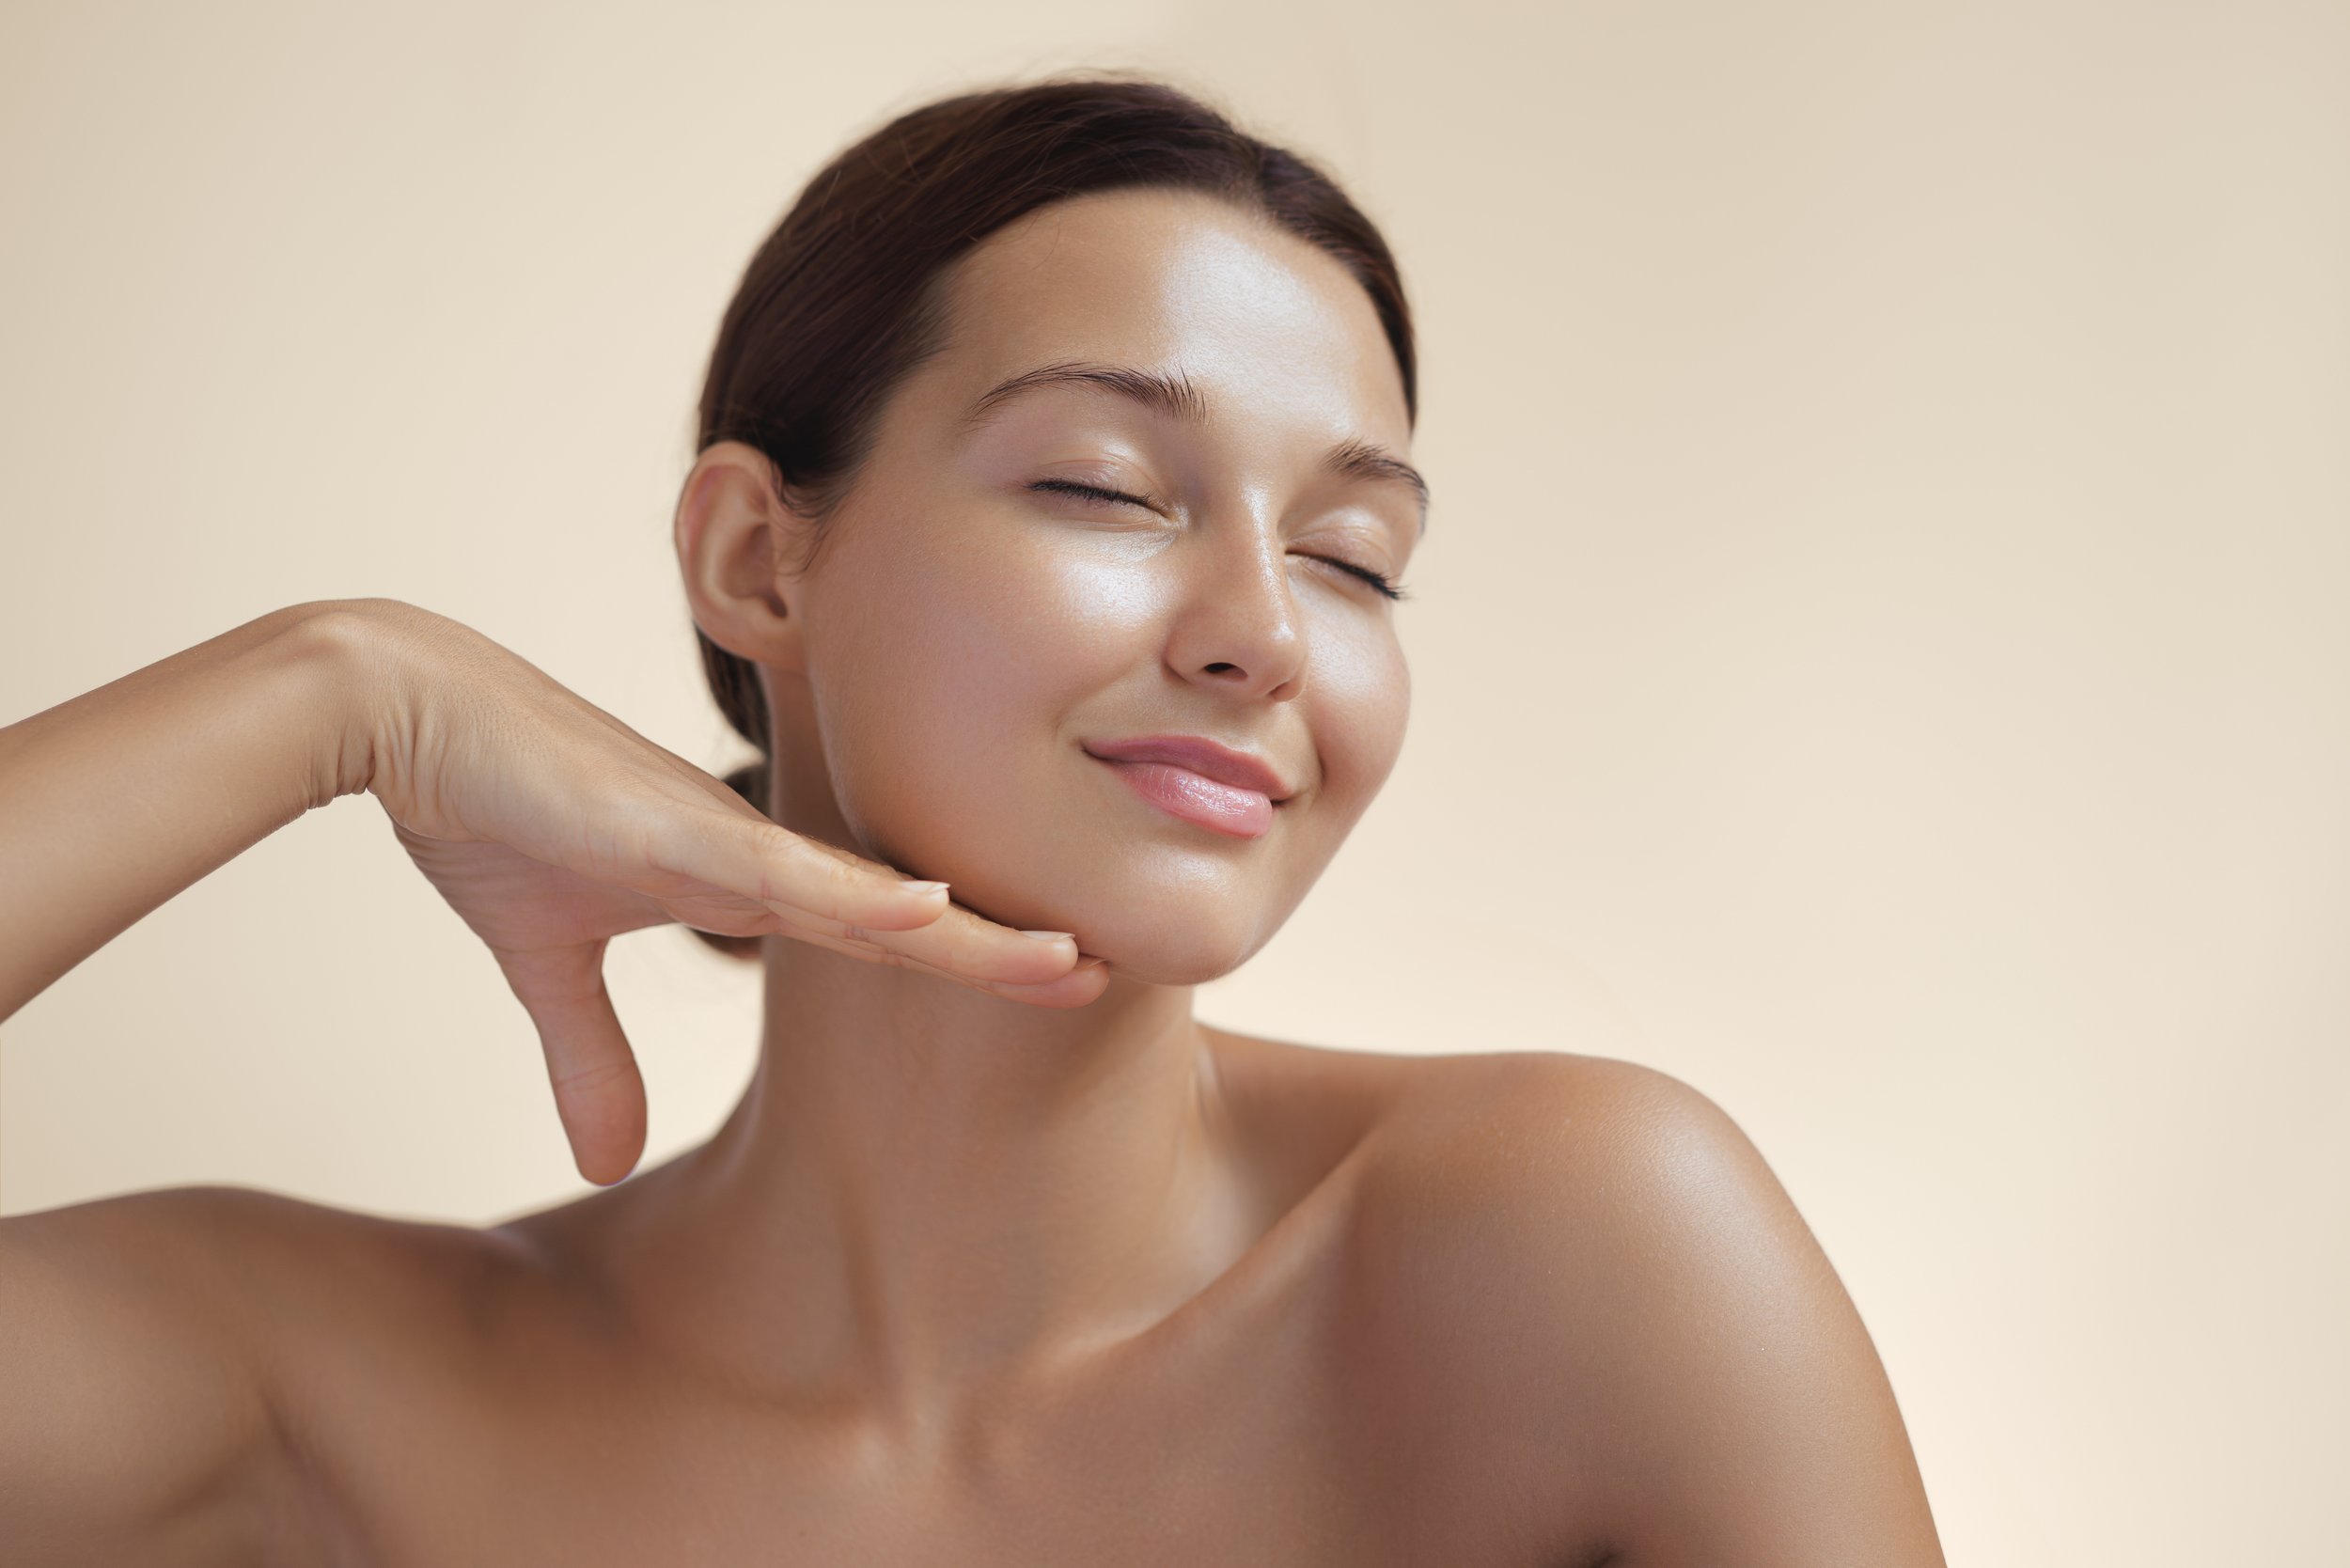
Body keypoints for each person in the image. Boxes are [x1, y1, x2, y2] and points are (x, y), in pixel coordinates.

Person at [0, 74, 1946, 1565]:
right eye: (1109, 487)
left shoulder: (1566, 1244)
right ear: (760, 558)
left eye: (1354, 559)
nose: (1263, 635)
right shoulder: (324, 1390)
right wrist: (337, 692)